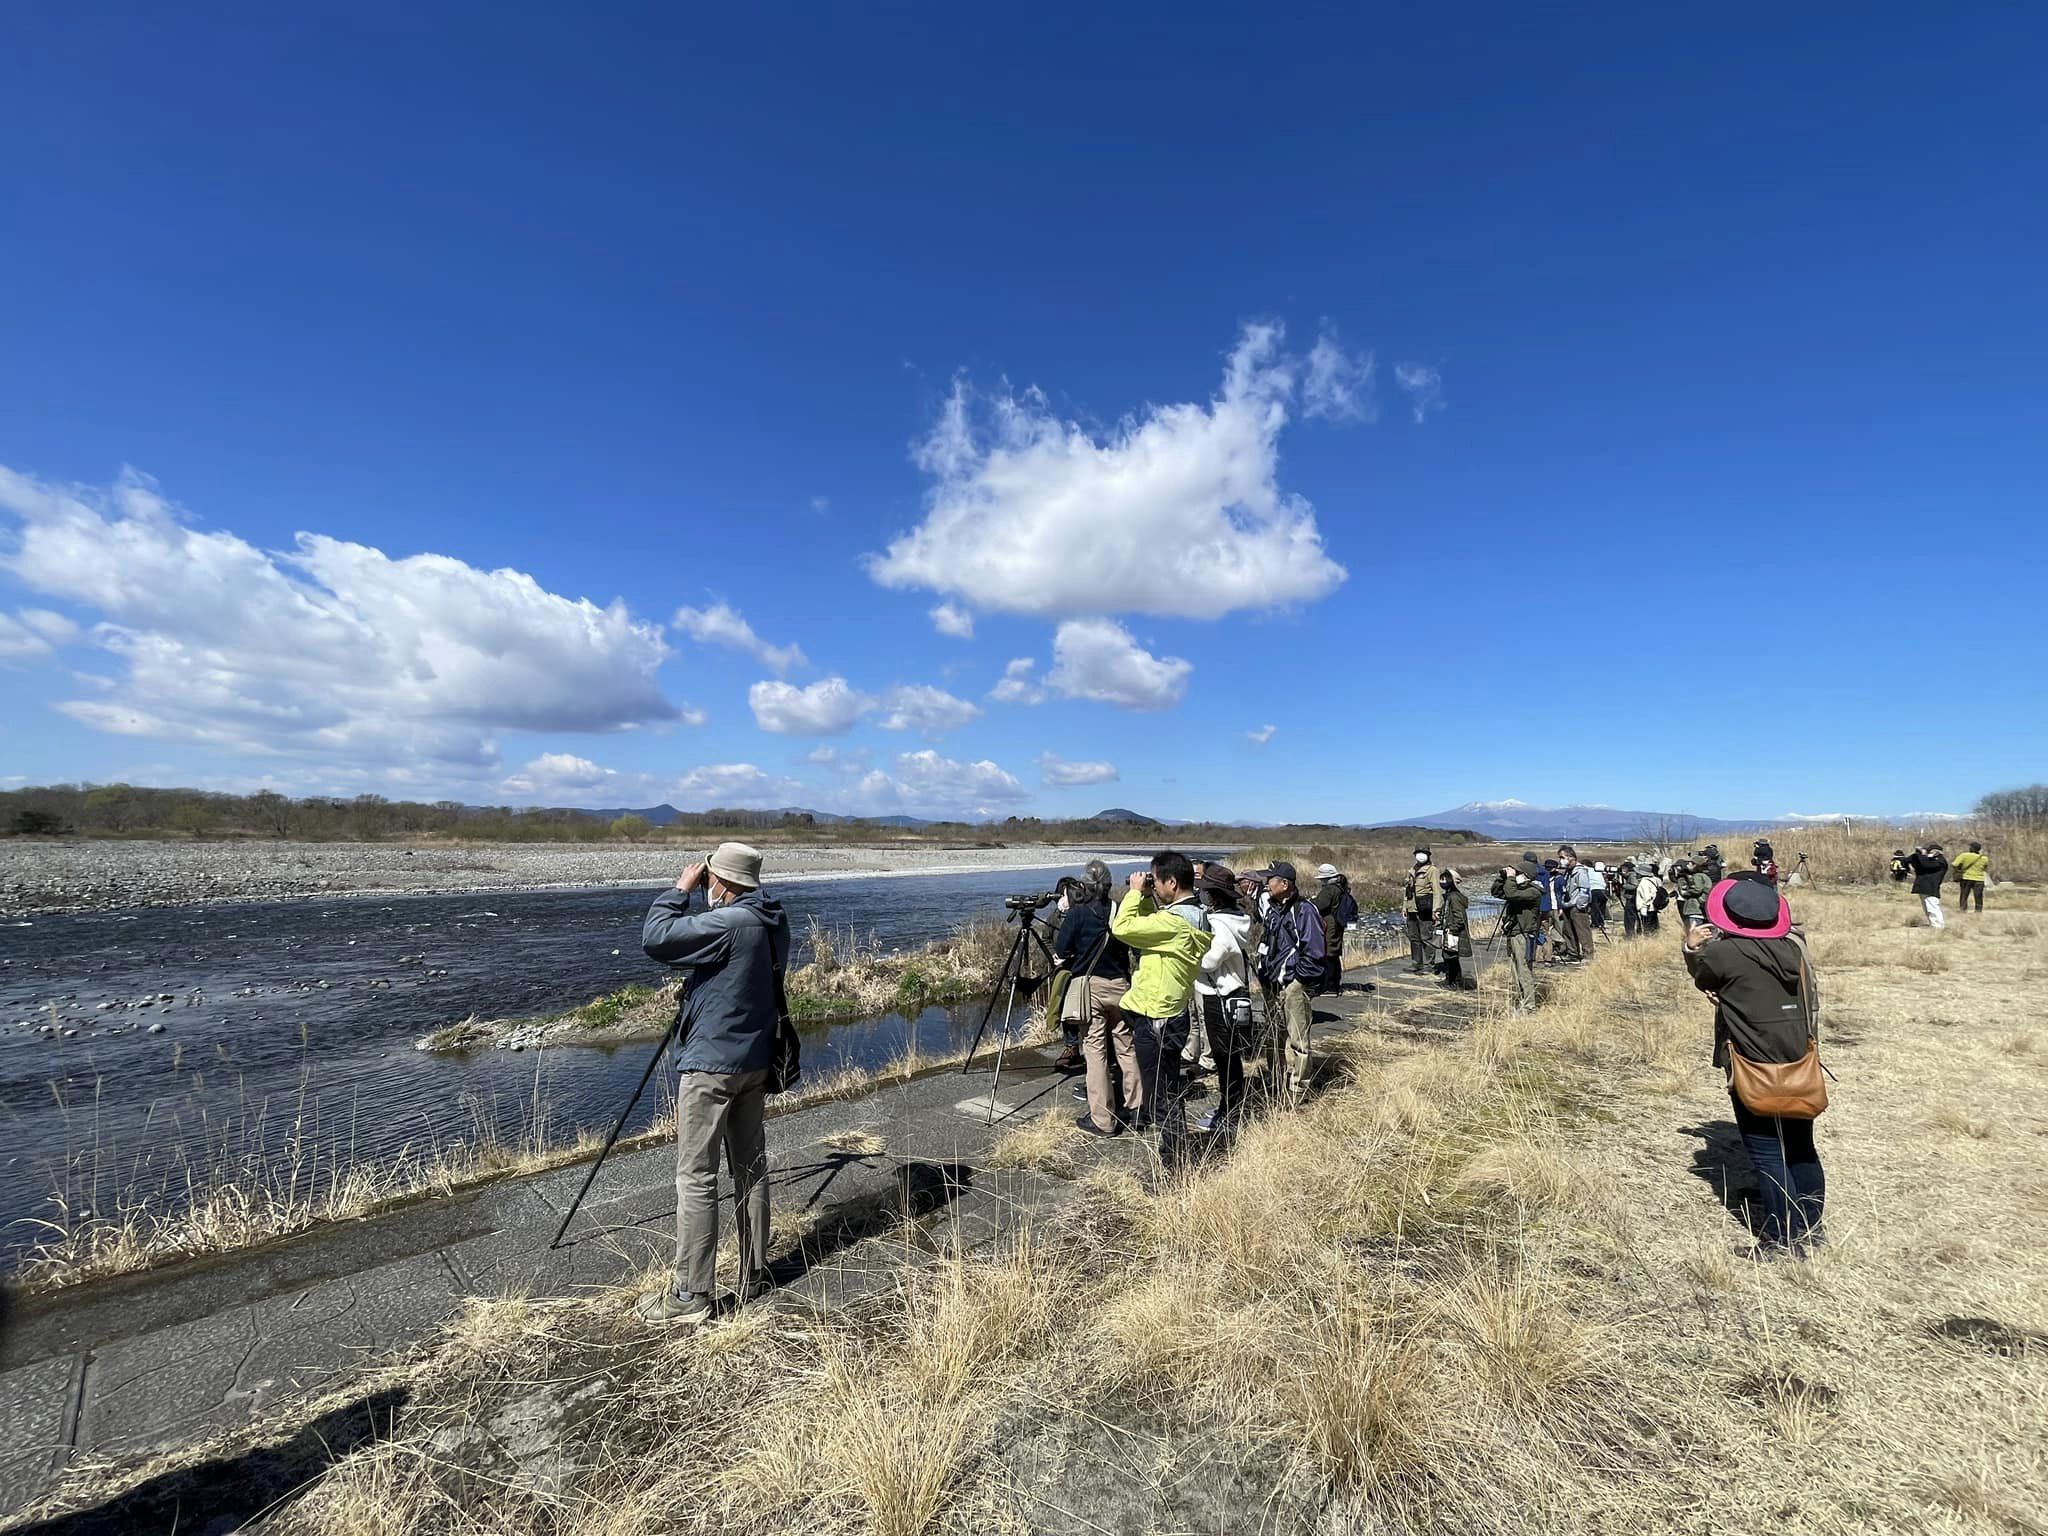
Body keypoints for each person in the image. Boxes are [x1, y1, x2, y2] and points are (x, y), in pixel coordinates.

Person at [635, 842, 787, 1325]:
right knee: (750, 1167)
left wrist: (678, 890)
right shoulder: (772, 920)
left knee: (696, 1176)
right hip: (754, 1060)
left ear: (721, 882)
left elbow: (657, 939)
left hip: (712, 1068)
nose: (706, 887)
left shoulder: (732, 922)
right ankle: (756, 1273)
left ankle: (691, 1294)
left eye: (709, 880)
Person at [1683, 878, 1826, 1257]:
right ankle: (1811, 1228)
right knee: (1800, 1146)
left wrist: (1693, 947)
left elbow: (1703, 979)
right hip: (1797, 1056)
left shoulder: (1723, 955)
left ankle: (1782, 1240)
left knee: (1766, 1153)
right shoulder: (1794, 947)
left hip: (1752, 1062)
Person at [1106, 852, 1212, 1163]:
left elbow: (1122, 928)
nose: (1151, 883)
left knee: (1160, 1097)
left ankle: (1173, 1161)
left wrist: (1134, 892)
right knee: (1167, 1090)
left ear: (1172, 882)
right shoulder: (1194, 915)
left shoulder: (1173, 924)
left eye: (1155, 879)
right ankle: (1174, 1152)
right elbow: (1152, 928)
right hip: (1171, 1013)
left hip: (1156, 1019)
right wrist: (1150, 895)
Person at [1053, 862, 1139, 1130]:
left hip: (1091, 987)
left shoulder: (1078, 914)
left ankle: (1103, 1119)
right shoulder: (1119, 910)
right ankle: (1138, 1109)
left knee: (1095, 1051)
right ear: (1109, 886)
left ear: (1085, 887)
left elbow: (1061, 948)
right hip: (1120, 986)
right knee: (1126, 1047)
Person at [1252, 860, 1325, 1107]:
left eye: (1270, 880)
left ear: (1284, 884)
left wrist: (1297, 981)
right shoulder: (1273, 909)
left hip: (1292, 985)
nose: (1266, 884)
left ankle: (1297, 1091)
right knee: (1273, 1037)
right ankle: (1275, 1082)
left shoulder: (1304, 910)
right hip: (1271, 984)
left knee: (1298, 1041)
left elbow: (1315, 951)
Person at [1191, 864, 1256, 1133]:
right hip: (1232, 996)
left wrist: (1187, 950)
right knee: (1230, 1060)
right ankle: (1228, 1109)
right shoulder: (1236, 918)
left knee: (1224, 1060)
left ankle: (1229, 1116)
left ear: (1214, 895)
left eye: (1205, 891)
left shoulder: (1220, 924)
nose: (1202, 895)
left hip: (1220, 999)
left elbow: (1209, 961)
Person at [1490, 862, 1543, 1010]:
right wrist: (1502, 878)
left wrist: (1511, 877)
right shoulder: (1517, 888)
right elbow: (1496, 892)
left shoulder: (1534, 891)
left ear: (1526, 876)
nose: (1515, 875)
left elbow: (1512, 894)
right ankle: (1521, 1000)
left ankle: (1529, 1005)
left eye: (1518, 873)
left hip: (1524, 934)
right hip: (1513, 933)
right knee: (1515, 971)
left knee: (1524, 970)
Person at [1310, 863, 1359, 996]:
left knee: (1328, 954)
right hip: (1336, 924)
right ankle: (1333, 985)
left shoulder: (1329, 890)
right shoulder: (1340, 888)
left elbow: (1319, 905)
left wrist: (1310, 902)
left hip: (1329, 924)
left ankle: (1330, 987)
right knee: (1333, 954)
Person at [1436, 867, 1475, 990]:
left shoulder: (1454, 897)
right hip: (1450, 930)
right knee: (1448, 956)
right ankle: (1450, 980)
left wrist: (1452, 929)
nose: (1442, 882)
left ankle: (1454, 982)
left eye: (1444, 879)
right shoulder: (1449, 896)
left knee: (1451, 957)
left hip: (1453, 933)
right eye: (1441, 879)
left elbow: (1459, 917)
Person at [1401, 847, 1437, 974]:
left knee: (1426, 937)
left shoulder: (1432, 870)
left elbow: (1437, 891)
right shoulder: (1412, 870)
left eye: (1423, 853)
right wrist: (1404, 907)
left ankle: (1429, 965)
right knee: (1414, 938)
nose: (1420, 856)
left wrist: (1436, 909)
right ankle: (1416, 963)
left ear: (1428, 855)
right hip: (1412, 908)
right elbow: (1407, 891)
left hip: (1425, 908)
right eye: (1418, 853)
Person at [1559, 846, 1597, 963]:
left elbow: (1584, 890)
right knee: (1568, 931)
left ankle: (1588, 955)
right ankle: (1573, 953)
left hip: (1577, 906)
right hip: (1567, 905)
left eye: (1562, 857)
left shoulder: (1580, 872)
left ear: (1571, 857)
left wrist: (1581, 905)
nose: (1561, 860)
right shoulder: (1568, 872)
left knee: (1582, 932)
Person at [1907, 843, 1950, 929]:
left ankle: (1939, 926)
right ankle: (1933, 924)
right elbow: (1913, 862)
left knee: (1933, 907)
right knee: (1927, 908)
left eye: (1930, 851)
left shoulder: (1940, 861)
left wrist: (1923, 855)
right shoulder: (1928, 859)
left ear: (1936, 852)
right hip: (1924, 887)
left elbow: (1927, 865)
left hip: (1931, 887)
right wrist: (1916, 854)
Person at [1952, 841, 1990, 913]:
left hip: (1966, 877)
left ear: (1971, 848)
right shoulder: (1984, 858)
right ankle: (1978, 911)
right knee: (1978, 896)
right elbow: (1985, 867)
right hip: (1979, 879)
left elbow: (1954, 864)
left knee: (1964, 895)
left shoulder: (1964, 855)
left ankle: (1963, 909)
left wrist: (1960, 869)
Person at [1615, 859, 1640, 939]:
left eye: (1624, 868)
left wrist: (1623, 885)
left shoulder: (1632, 875)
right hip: (1631, 898)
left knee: (1629, 917)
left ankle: (1630, 934)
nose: (1623, 870)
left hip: (1631, 898)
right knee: (1631, 917)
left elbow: (1634, 885)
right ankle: (1631, 933)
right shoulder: (1629, 875)